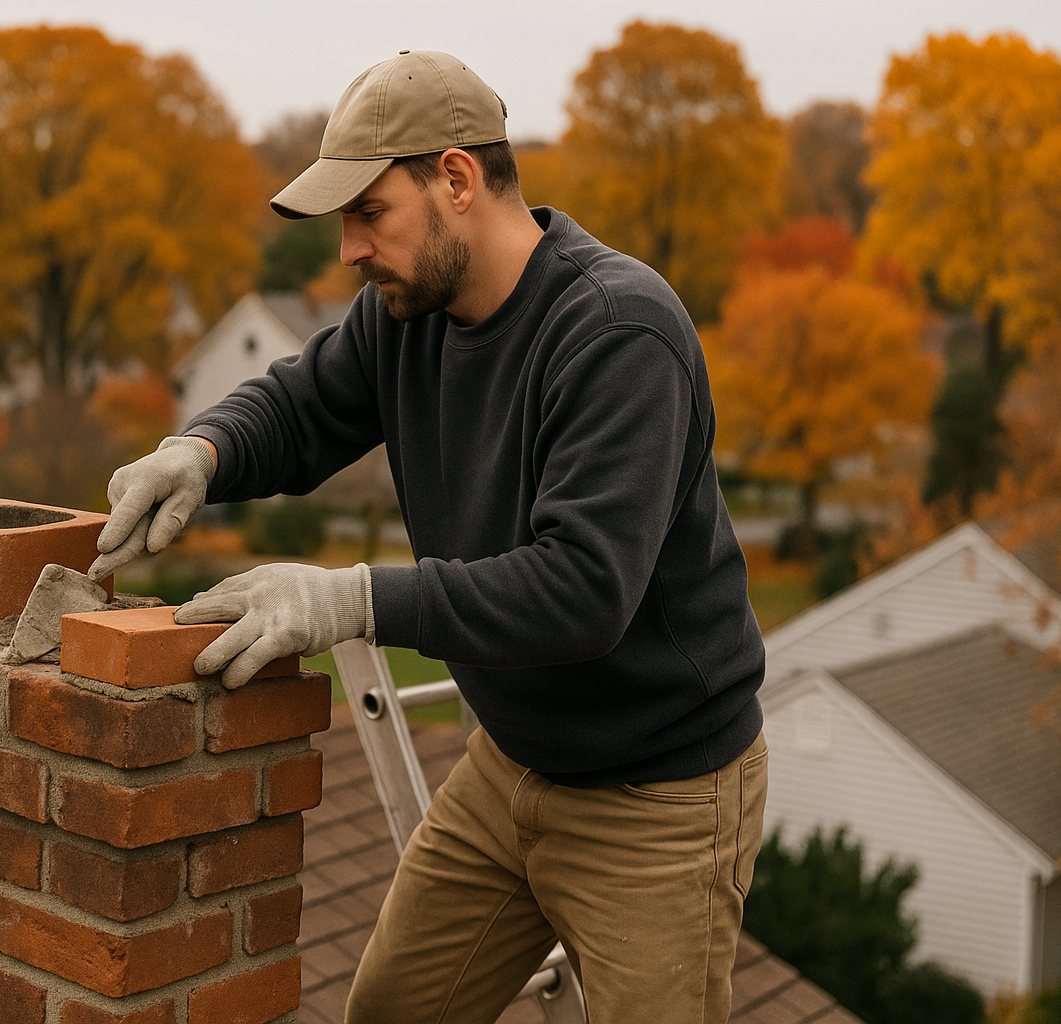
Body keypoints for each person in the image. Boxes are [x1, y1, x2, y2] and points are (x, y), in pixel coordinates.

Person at [89, 50, 767, 1024]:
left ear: (456, 180)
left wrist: (349, 598)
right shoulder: (407, 315)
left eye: (370, 215)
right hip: (513, 762)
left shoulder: (618, 333)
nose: (349, 252)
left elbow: (582, 591)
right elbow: (301, 405)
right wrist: (199, 450)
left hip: (657, 792)